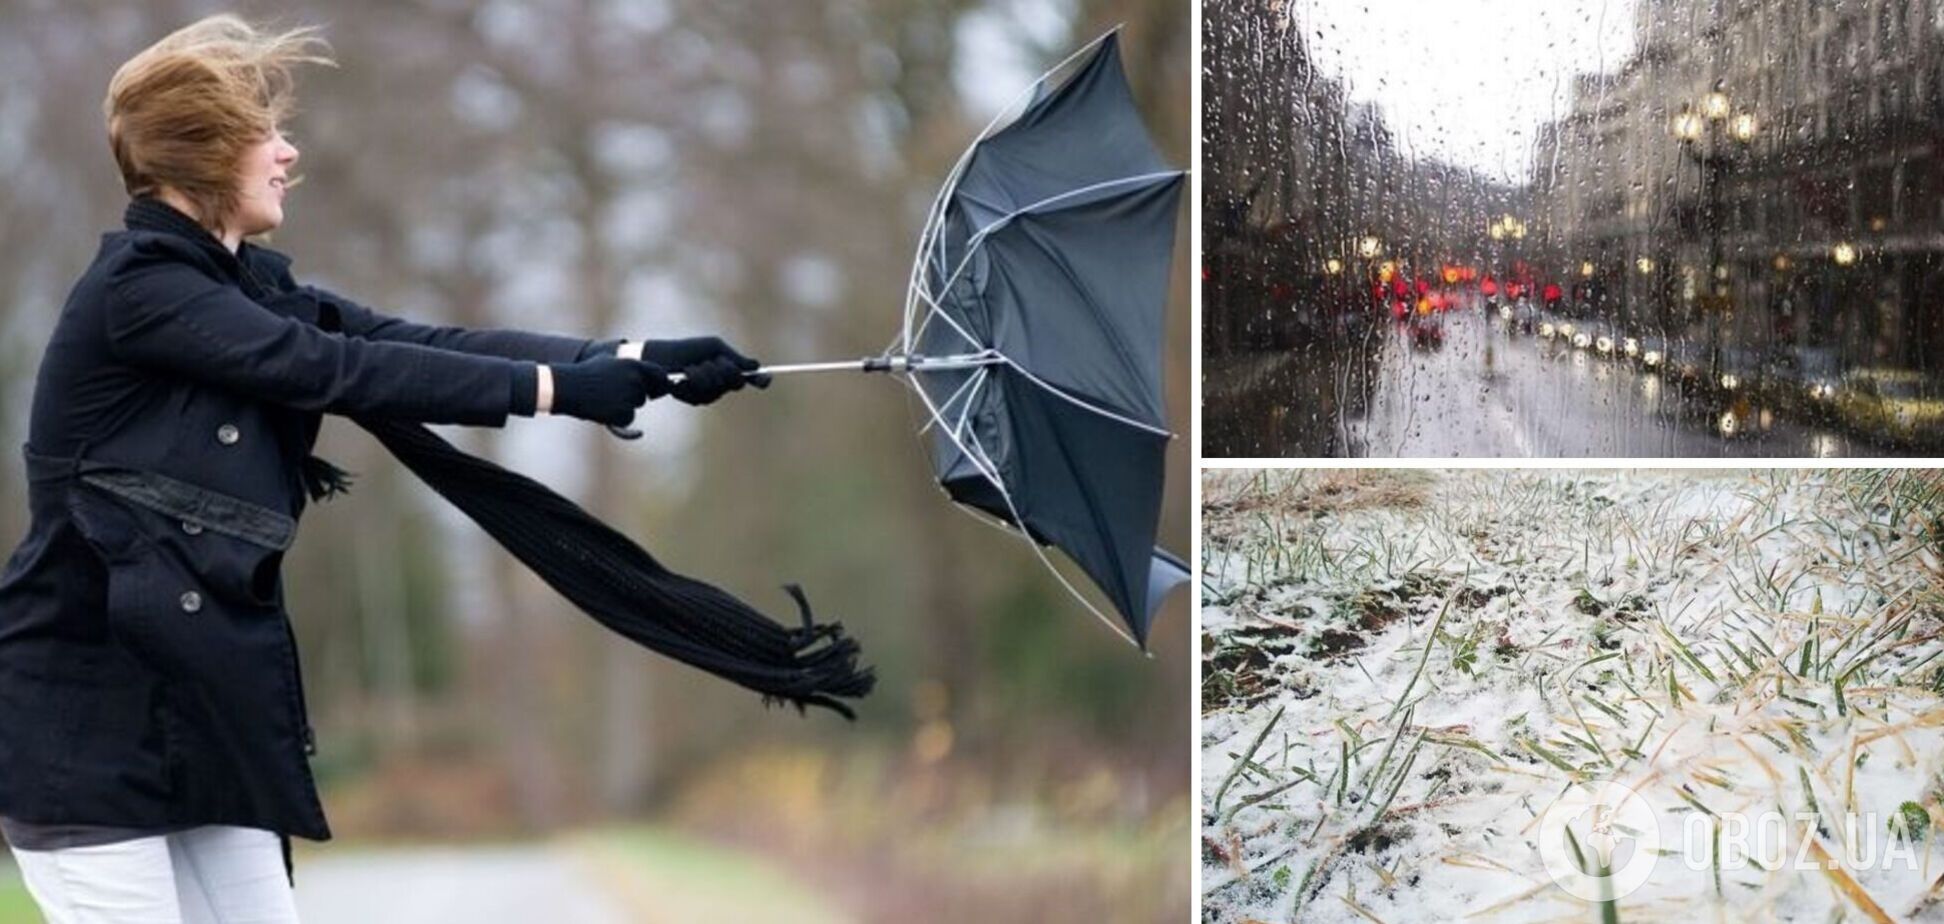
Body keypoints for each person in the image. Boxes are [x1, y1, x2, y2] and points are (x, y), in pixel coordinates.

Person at [0, 14, 766, 922]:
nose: (288, 153)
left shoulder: (246, 287)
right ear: (206, 152)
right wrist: (560, 391)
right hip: (82, 731)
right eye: (264, 133)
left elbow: (414, 341)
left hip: (199, 719)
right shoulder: (141, 291)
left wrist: (630, 356)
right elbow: (331, 368)